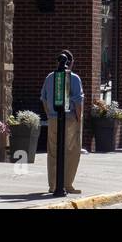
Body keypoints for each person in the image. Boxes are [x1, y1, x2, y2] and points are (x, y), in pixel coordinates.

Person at [40, 50, 84, 196]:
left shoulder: (50, 77)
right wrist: (79, 119)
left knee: (53, 152)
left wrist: (50, 115)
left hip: (53, 118)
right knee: (71, 152)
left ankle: (53, 185)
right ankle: (67, 184)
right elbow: (78, 102)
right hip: (70, 118)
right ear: (71, 63)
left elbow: (44, 99)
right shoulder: (74, 78)